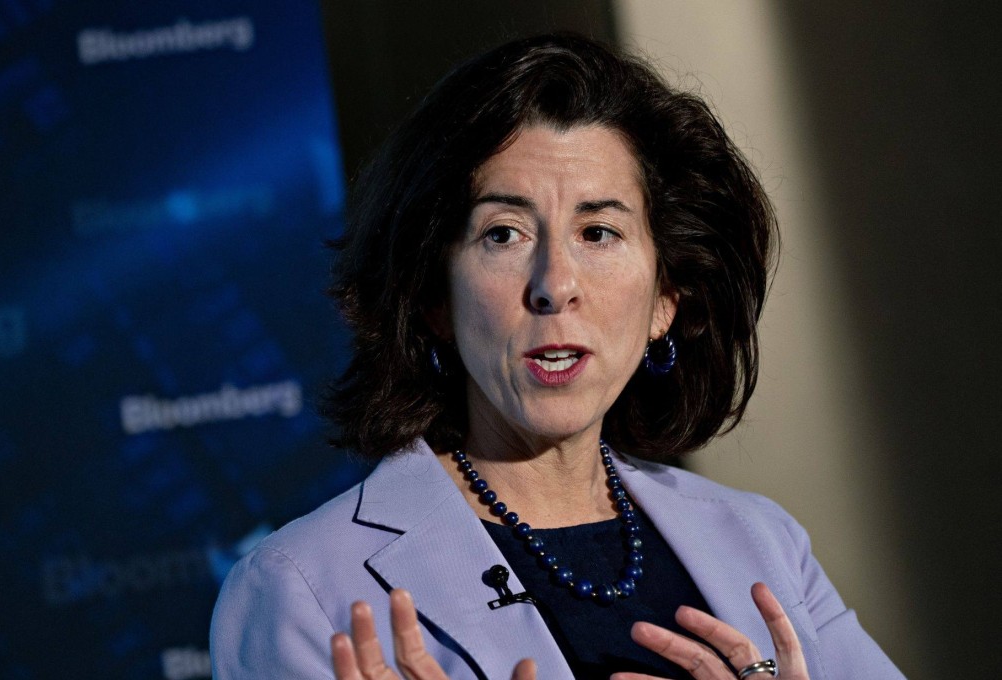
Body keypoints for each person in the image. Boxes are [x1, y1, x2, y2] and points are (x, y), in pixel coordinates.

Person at [210, 34, 905, 680]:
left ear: (668, 295)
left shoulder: (763, 541)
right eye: (504, 234)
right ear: (433, 299)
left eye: (599, 231)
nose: (555, 286)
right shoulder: (300, 587)